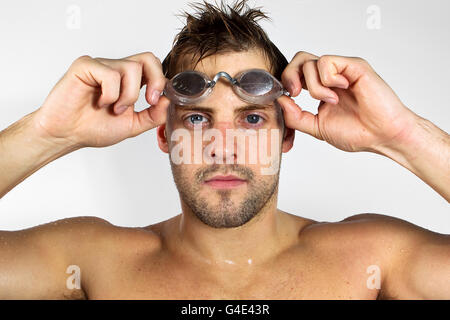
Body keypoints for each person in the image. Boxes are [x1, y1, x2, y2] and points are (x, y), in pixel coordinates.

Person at [0, 0, 448, 300]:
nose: (223, 147)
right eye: (197, 119)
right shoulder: (92, 261)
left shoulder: (371, 257)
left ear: (286, 135)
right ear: (163, 136)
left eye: (252, 118)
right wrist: (47, 133)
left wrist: (403, 135)